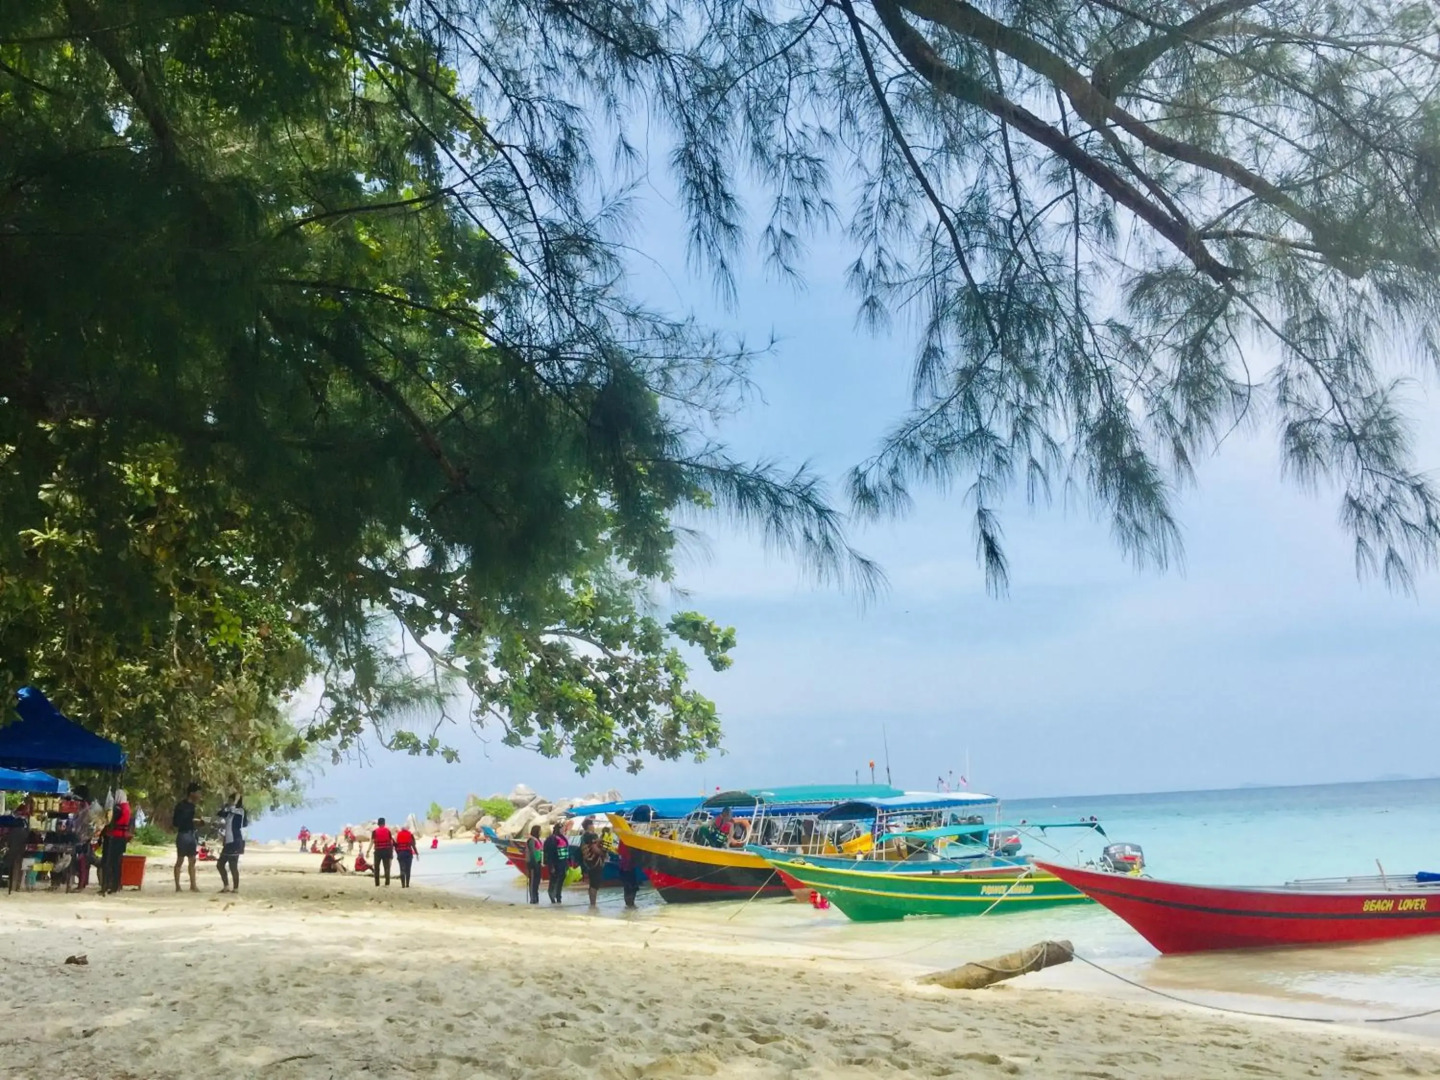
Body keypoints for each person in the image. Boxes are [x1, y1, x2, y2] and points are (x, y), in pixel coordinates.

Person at [100, 788, 132, 896]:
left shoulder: (118, 808)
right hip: (121, 838)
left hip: (115, 837)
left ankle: (110, 885)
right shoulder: (126, 807)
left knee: (110, 862)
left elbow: (111, 822)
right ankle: (116, 885)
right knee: (117, 862)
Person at [173, 782, 201, 893]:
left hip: (191, 834)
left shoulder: (193, 807)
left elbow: (190, 821)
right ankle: (177, 886)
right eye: (198, 793)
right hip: (183, 834)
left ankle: (193, 885)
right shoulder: (181, 806)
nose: (199, 795)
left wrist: (197, 822)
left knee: (192, 860)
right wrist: (191, 821)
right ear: (192, 793)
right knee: (180, 860)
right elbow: (176, 822)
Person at [216, 794, 247, 894]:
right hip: (228, 842)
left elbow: (233, 810)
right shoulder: (229, 813)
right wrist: (225, 806)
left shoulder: (240, 811)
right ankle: (226, 886)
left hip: (235, 841)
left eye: (231, 800)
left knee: (233, 865)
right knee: (220, 864)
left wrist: (233, 803)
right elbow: (220, 813)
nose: (229, 802)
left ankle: (236, 888)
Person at [579, 818, 606, 907]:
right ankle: (593, 904)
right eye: (592, 824)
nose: (593, 826)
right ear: (589, 826)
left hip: (588, 862)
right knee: (595, 883)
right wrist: (603, 853)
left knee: (592, 883)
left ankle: (592, 904)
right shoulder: (592, 835)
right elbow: (595, 848)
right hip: (595, 862)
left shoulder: (583, 836)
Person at [543, 822, 569, 904]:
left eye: (563, 829)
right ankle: (552, 897)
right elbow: (550, 854)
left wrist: (568, 863)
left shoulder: (563, 838)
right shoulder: (552, 839)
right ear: (558, 829)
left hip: (563, 863)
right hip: (556, 863)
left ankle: (558, 897)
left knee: (560, 880)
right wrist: (551, 866)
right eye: (561, 829)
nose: (563, 830)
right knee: (554, 880)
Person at [617, 838, 640, 908]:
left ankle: (629, 905)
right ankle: (631, 904)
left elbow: (620, 851)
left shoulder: (623, 839)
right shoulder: (628, 839)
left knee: (627, 886)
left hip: (624, 866)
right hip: (629, 866)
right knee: (631, 886)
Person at [394, 822, 419, 888]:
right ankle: (407, 884)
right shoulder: (410, 834)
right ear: (407, 829)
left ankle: (403, 885)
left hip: (400, 853)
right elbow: (413, 845)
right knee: (408, 869)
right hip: (408, 853)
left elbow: (396, 845)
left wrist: (398, 853)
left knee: (402, 869)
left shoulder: (398, 834)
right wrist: (416, 853)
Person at [371, 817, 394, 886]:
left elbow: (372, 842)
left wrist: (368, 851)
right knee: (386, 867)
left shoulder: (374, 832)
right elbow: (391, 842)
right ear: (384, 823)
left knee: (377, 867)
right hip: (386, 851)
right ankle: (387, 883)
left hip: (377, 851)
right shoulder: (388, 831)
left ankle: (377, 883)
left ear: (378, 824)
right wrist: (391, 852)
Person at [524, 825, 543, 904]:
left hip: (538, 862)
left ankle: (536, 896)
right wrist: (534, 862)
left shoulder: (537, 840)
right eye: (540, 830)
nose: (541, 832)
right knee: (532, 881)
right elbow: (532, 852)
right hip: (532, 863)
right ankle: (532, 898)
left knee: (537, 881)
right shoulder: (531, 840)